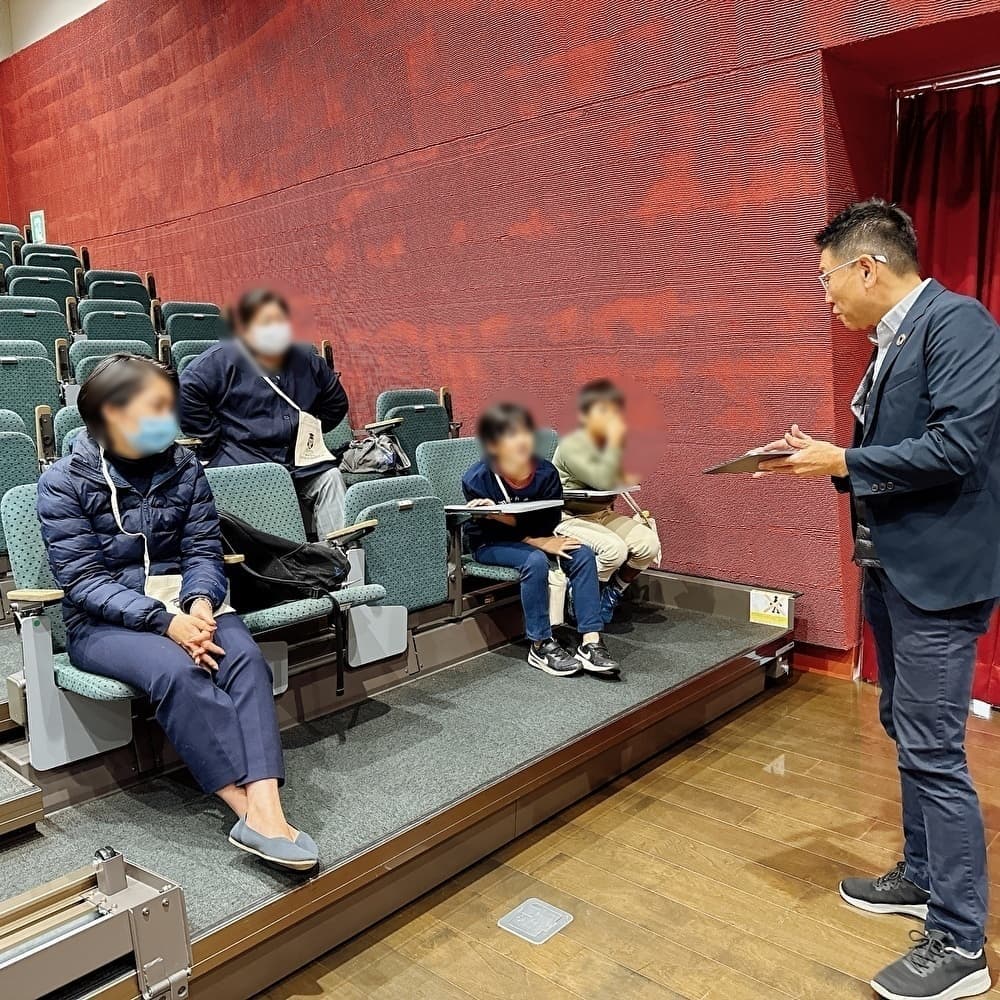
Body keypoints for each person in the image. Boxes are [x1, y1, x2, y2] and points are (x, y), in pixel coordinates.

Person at [759, 199, 1000, 1000]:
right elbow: (896, 449)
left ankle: (960, 945)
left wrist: (846, 461)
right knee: (906, 728)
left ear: (867, 267)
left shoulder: (957, 324)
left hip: (938, 579)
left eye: (827, 278)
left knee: (934, 750)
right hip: (893, 572)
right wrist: (830, 458)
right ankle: (923, 875)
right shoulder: (893, 341)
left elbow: (958, 446)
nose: (825, 295)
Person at [37, 355, 318, 871]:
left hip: (186, 602)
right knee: (178, 670)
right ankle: (245, 809)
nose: (168, 420)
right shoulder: (63, 481)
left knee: (244, 660)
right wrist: (166, 623)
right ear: (111, 414)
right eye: (154, 409)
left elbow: (203, 549)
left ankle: (266, 808)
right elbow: (83, 581)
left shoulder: (184, 466)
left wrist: (202, 603)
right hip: (104, 622)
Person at [461, 402, 620, 678]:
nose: (521, 441)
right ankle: (540, 644)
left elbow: (548, 521)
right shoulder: (477, 478)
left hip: (539, 534)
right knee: (534, 561)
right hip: (490, 544)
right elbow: (487, 530)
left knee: (581, 554)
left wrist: (537, 537)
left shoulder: (546, 473)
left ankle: (590, 641)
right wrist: (526, 535)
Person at [178, 288, 350, 539]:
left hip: (300, 460)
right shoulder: (218, 361)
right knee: (266, 486)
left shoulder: (305, 359)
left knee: (330, 478)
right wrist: (213, 438)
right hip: (245, 460)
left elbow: (336, 403)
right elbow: (186, 395)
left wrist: (309, 430)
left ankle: (340, 559)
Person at [553, 379, 660, 622]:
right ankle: (584, 594)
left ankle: (612, 592)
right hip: (568, 517)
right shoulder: (572, 446)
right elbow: (605, 481)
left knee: (648, 544)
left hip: (600, 514)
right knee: (614, 551)